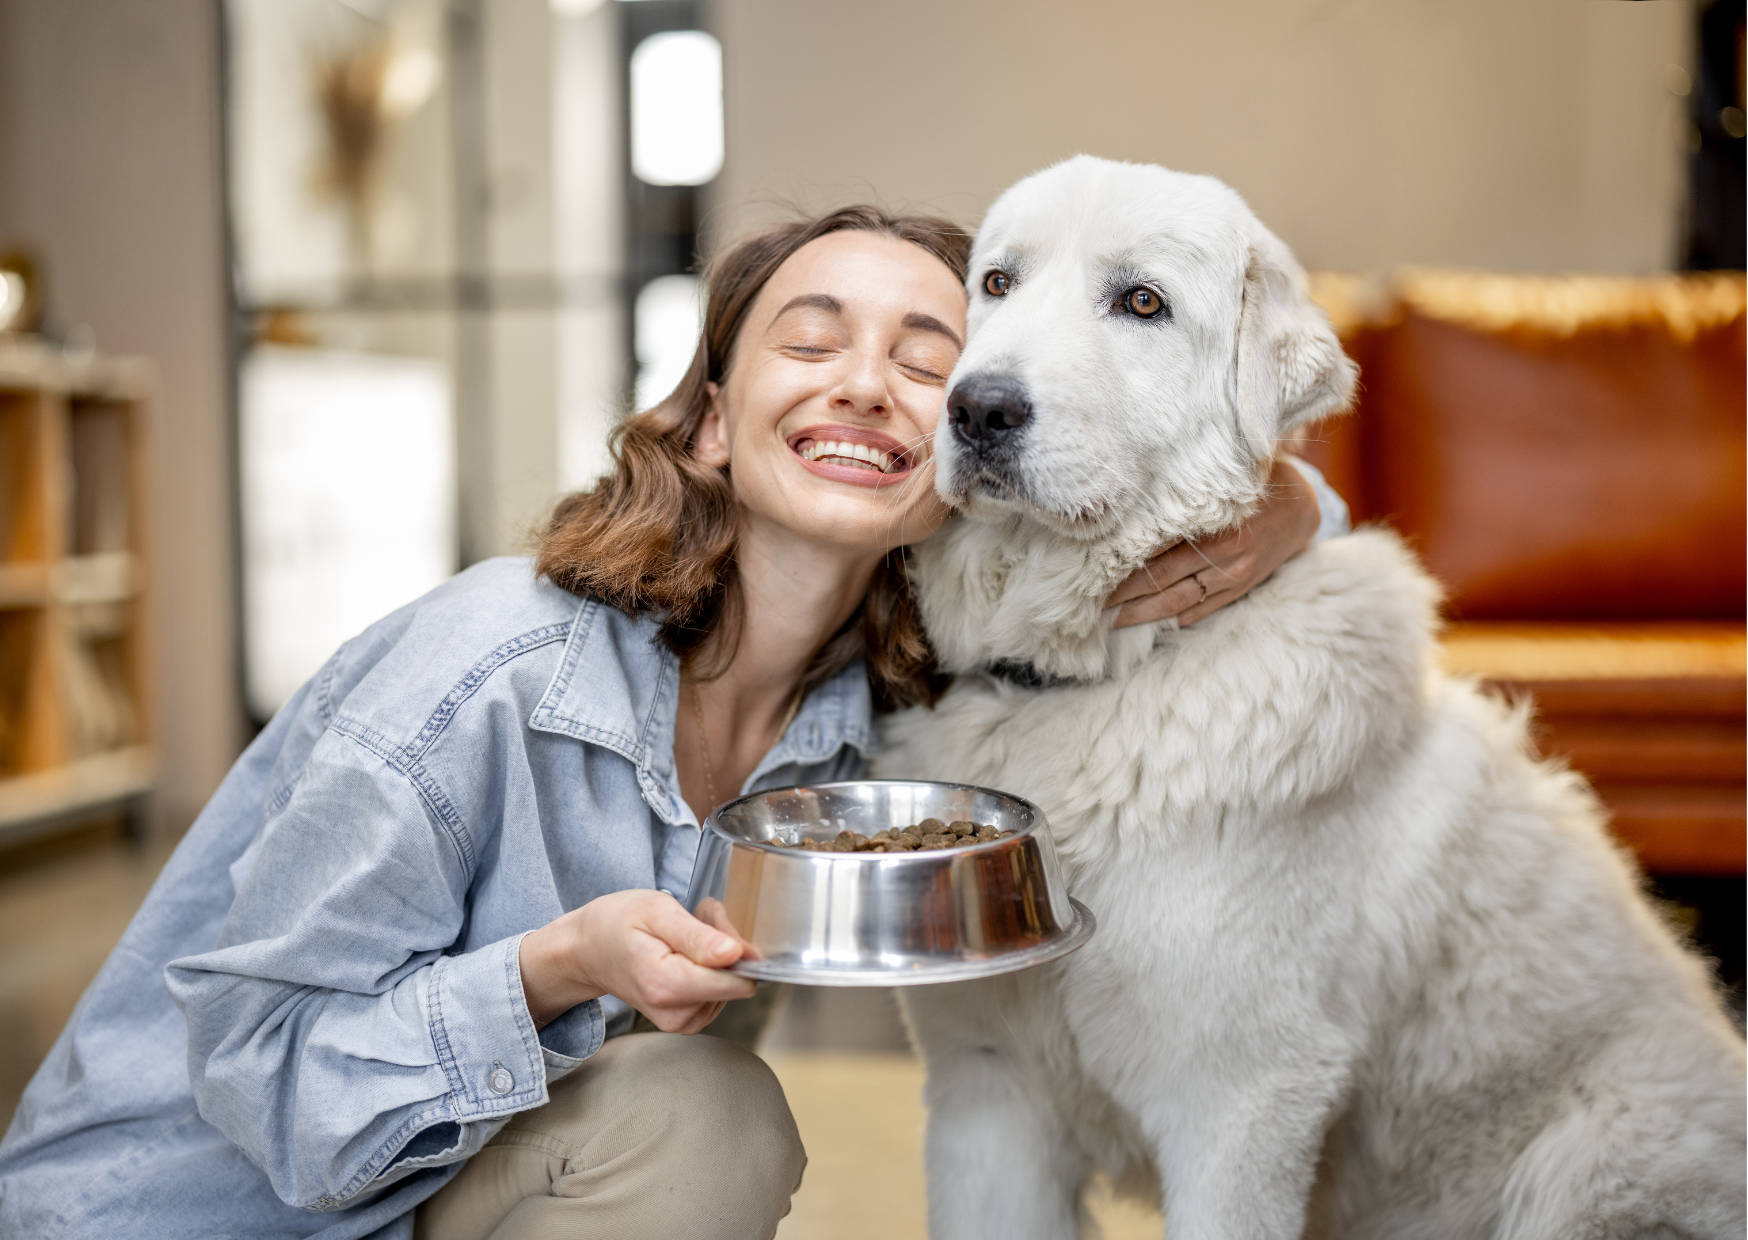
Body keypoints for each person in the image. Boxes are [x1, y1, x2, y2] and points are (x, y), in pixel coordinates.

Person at [0, 205, 1347, 1239]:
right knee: (710, 1119)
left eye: (927, 362)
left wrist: (1294, 503)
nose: (867, 384)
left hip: (420, 1197)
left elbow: (1150, 516)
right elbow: (256, 1067)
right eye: (811, 341)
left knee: (702, 1122)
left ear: (966, 461)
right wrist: (554, 966)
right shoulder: (490, 670)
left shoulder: (886, 714)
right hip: (178, 1212)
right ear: (709, 422)